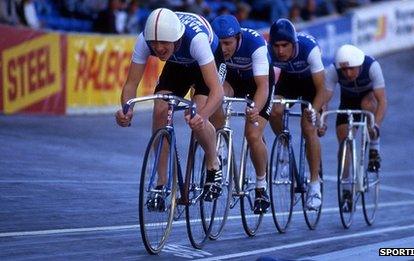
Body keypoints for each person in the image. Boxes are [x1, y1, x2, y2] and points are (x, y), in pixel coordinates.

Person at [115, 8, 225, 205]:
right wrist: (126, 109)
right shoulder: (144, 40)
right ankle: (161, 183)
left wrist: (203, 116)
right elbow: (131, 84)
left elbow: (217, 91)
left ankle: (213, 162)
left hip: (206, 61)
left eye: (164, 43)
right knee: (160, 109)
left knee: (198, 114)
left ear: (176, 38)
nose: (158, 49)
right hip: (178, 63)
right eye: (154, 44)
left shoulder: (197, 40)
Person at [211, 14, 273, 214]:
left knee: (253, 134)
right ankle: (220, 147)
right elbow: (212, 86)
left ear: (238, 38)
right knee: (215, 98)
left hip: (257, 82)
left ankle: (261, 186)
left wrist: (255, 109)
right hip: (232, 79)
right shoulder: (212, 46)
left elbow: (263, 85)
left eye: (228, 43)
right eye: (219, 43)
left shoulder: (256, 44)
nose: (223, 48)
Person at [268, 18, 326, 210]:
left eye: (285, 46)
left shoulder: (310, 50)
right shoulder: (269, 52)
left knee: (308, 127)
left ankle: (315, 185)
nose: (280, 51)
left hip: (312, 86)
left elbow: (322, 89)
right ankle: (284, 145)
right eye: (276, 46)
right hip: (289, 81)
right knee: (274, 110)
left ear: (294, 44)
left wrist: (314, 111)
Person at [324, 44, 387, 174]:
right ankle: (346, 186)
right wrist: (322, 121)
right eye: (344, 70)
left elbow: (382, 101)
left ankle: (374, 147)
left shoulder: (372, 66)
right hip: (348, 101)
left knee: (368, 103)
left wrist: (376, 126)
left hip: (368, 98)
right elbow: (325, 98)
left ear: (359, 64)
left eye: (351, 69)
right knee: (343, 142)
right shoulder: (333, 70)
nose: (347, 73)